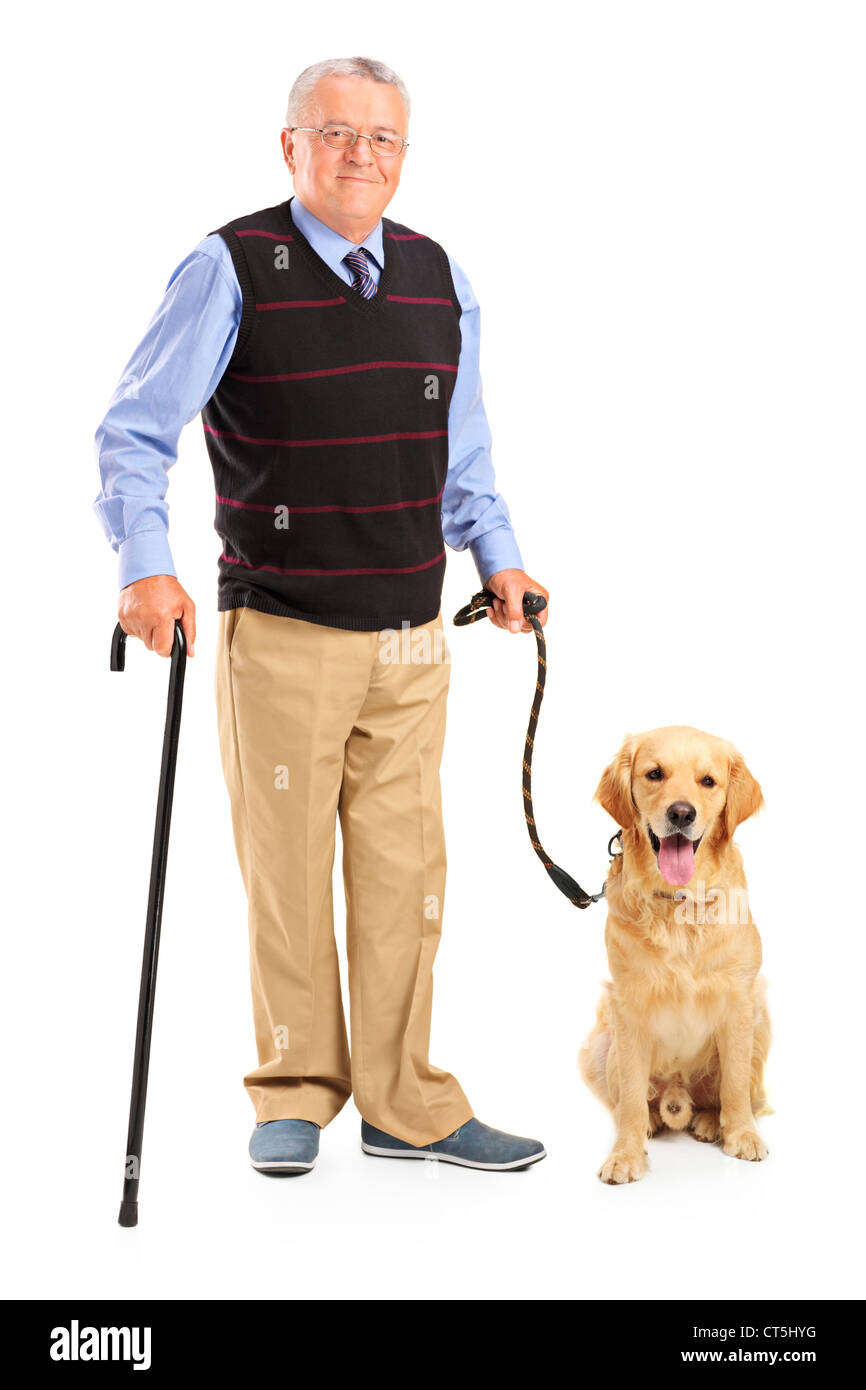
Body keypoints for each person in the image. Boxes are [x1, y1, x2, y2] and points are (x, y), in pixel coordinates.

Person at [94, 55, 550, 1175]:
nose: (360, 156)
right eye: (335, 134)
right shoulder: (230, 265)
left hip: (409, 639)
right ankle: (292, 1088)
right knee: (287, 874)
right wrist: (144, 568)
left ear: (404, 156)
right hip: (283, 633)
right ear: (289, 146)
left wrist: (498, 559)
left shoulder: (441, 276)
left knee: (407, 877)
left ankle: (406, 1103)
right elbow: (135, 431)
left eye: (382, 139)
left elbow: (465, 448)